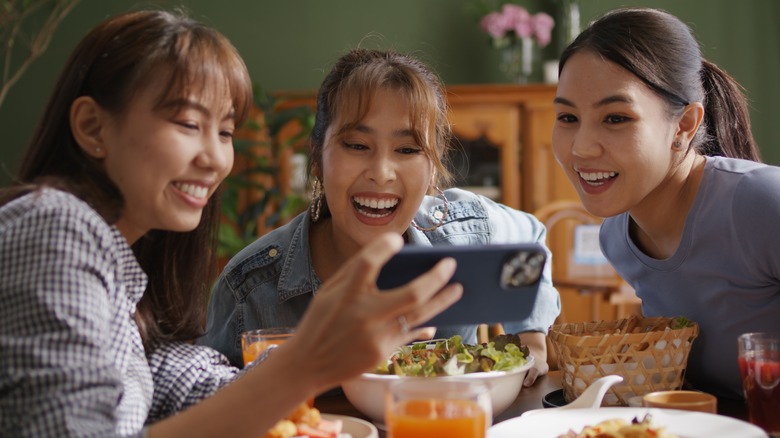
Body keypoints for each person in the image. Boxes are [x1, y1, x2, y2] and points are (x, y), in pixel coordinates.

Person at [0, 10, 463, 437]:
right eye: (186, 123)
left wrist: (300, 384)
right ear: (93, 127)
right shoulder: (52, 229)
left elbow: (176, 376)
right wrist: (304, 365)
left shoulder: (121, 266)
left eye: (224, 132)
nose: (215, 158)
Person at [201, 48, 561, 386]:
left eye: (407, 149)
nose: (382, 172)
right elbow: (211, 409)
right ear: (317, 157)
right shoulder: (251, 289)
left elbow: (530, 240)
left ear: (433, 168)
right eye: (357, 146)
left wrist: (531, 334)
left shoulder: (461, 230)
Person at [553, 7, 780, 400]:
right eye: (567, 117)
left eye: (616, 118)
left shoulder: (760, 203)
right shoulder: (618, 238)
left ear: (685, 125)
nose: (581, 147)